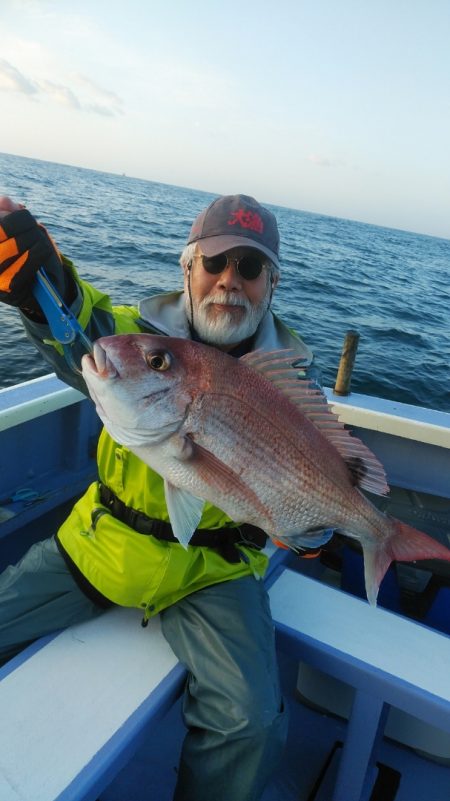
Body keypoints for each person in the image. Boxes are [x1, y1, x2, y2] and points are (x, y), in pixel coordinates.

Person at [0, 193, 318, 801]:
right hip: (103, 545)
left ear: (271, 284)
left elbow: (315, 480)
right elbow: (80, 325)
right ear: (187, 269)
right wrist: (40, 276)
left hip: (218, 571)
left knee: (252, 725)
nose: (230, 283)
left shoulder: (288, 383)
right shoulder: (137, 340)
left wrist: (315, 531)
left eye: (250, 269)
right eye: (216, 263)